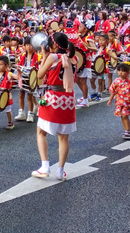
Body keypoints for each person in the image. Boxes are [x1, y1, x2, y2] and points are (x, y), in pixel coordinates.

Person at [32, 33, 76, 181]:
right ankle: (60, 170)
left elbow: (39, 75)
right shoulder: (73, 58)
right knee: (64, 137)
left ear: (55, 45)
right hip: (68, 99)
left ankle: (45, 166)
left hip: (52, 97)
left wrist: (44, 56)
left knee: (41, 132)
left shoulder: (53, 57)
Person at [107, 63, 130, 140]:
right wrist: (110, 100)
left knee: (125, 115)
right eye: (119, 71)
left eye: (122, 71)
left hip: (127, 102)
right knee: (122, 115)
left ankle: (128, 130)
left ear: (128, 72)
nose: (120, 73)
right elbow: (113, 91)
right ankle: (125, 130)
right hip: (119, 102)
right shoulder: (116, 81)